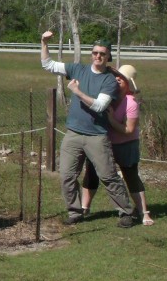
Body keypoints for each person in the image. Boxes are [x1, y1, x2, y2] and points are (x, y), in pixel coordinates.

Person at [39, 31, 137, 227]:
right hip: (73, 134)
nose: (98, 56)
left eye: (102, 53)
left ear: (108, 56)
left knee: (108, 176)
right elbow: (48, 64)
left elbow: (100, 106)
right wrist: (43, 43)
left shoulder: (110, 80)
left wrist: (76, 91)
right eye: (94, 53)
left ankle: (126, 212)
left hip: (96, 136)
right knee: (66, 175)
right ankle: (75, 211)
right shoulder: (78, 69)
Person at [81, 64, 153, 226]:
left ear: (129, 83)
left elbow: (128, 130)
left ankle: (143, 212)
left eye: (123, 78)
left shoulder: (131, 103)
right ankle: (84, 207)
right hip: (104, 142)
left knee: (130, 176)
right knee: (91, 173)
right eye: (116, 76)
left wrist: (112, 120)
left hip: (126, 144)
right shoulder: (107, 96)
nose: (118, 79)